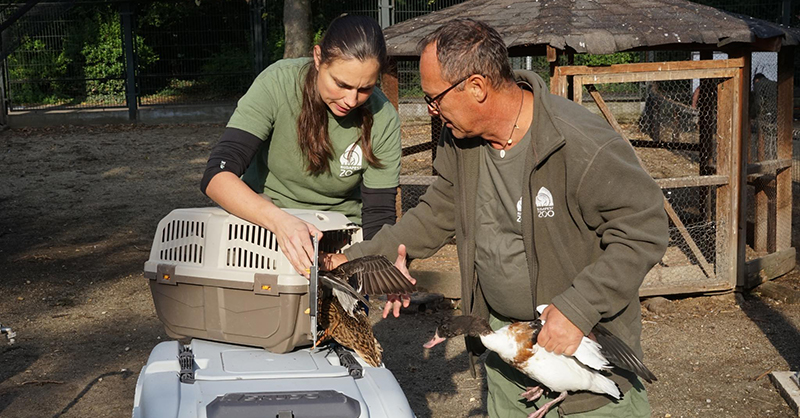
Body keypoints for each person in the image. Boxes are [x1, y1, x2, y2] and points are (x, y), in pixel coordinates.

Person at [326, 19, 668, 417]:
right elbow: (437, 211)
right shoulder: (460, 141)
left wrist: (579, 308)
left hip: (579, 350)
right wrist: (355, 258)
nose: (433, 111)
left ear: (476, 87)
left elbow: (643, 229)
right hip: (509, 354)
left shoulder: (579, 143)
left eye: (435, 99)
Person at [201, 15, 402, 277]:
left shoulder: (383, 116)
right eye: (341, 84)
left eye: (365, 89)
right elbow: (217, 175)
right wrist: (279, 221)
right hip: (262, 224)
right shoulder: (277, 83)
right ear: (318, 58)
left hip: (338, 240)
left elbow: (379, 212)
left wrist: (382, 267)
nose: (351, 99)